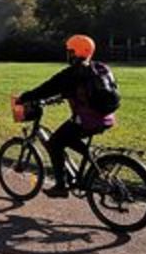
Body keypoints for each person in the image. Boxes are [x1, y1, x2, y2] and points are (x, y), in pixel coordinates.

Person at [17, 35, 117, 198]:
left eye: (70, 52)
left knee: (55, 142)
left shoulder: (73, 72)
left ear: (77, 52)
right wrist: (62, 96)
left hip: (87, 120)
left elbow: (48, 87)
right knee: (68, 137)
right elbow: (84, 90)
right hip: (106, 117)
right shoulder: (99, 68)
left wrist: (25, 97)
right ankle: (95, 161)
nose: (68, 55)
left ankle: (61, 186)